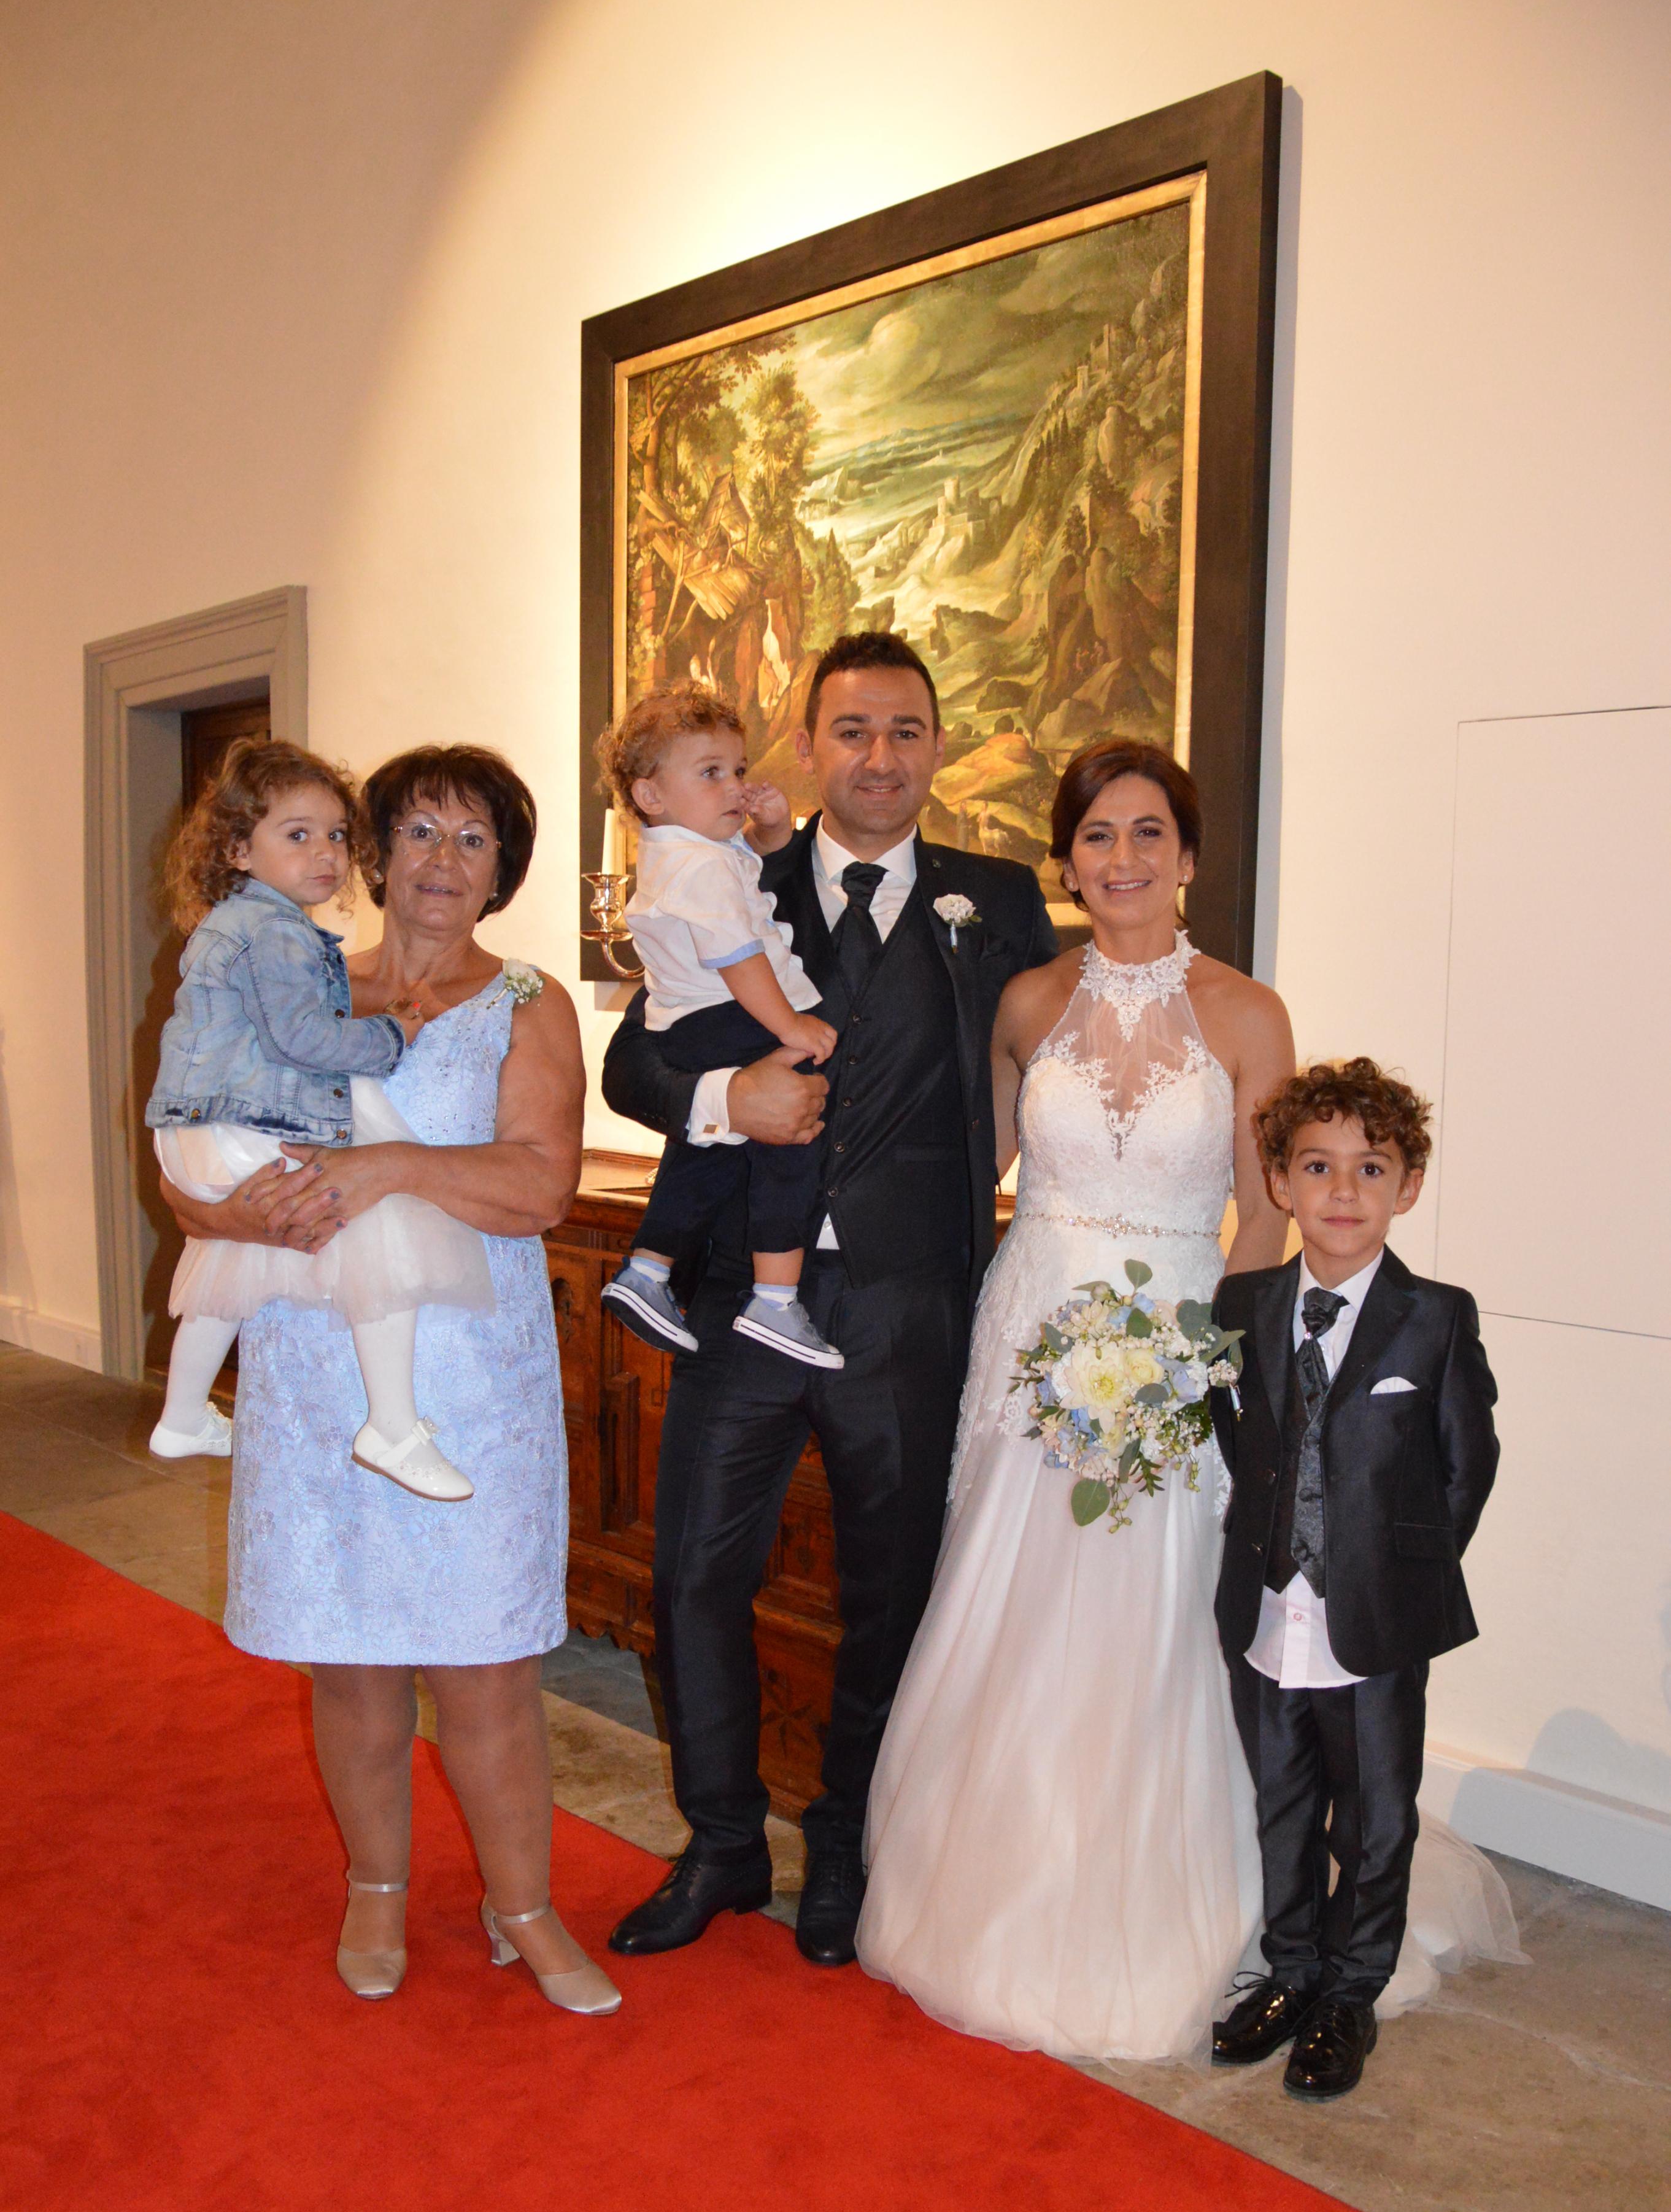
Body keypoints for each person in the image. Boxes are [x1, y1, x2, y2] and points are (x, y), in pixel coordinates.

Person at [601, 631, 1057, 1966]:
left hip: (910, 1308)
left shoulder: (994, 899)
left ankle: (848, 1839)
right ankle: (722, 1841)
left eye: (905, 730)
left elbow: (1055, 1061)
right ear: (806, 746)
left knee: (888, 1589)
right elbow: (633, 1065)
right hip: (743, 1298)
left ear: (936, 746)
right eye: (851, 730)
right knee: (693, 1572)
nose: (878, 756)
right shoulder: (723, 864)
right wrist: (721, 1098)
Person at [158, 744, 619, 2017]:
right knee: (349, 1655)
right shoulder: (295, 972)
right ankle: (375, 1883)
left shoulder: (524, 1000)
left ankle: (521, 1906)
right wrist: (237, 1211)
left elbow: (539, 1185)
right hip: (314, 1363)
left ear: (502, 870)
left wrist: (389, 1167)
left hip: (468, 1376)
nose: (441, 862)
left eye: (473, 840)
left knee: (486, 1663)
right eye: (418, 832)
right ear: (374, 851)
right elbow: (189, 1157)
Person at [857, 738, 1292, 2059]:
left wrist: (1193, 1362)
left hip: (1174, 1339)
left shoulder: (1244, 1012)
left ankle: (1150, 1905)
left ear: (1188, 855)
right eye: (1097, 835)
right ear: (1063, 860)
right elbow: (973, 1166)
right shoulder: (1025, 1001)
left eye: (1147, 832)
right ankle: (986, 1889)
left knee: (1149, 1612)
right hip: (1029, 1331)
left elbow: (1262, 1212)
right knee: (1012, 1604)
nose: (1122, 858)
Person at [1210, 1061, 1503, 2100]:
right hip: (1264, 1608)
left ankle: (1349, 1991)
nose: (1341, 1191)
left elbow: (1466, 1465)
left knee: (1374, 1818)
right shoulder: (1242, 1303)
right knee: (1282, 1804)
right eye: (1316, 1167)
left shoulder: (1433, 1317)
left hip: (1374, 1617)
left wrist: (1396, 1572)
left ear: (1406, 1187)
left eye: (1369, 1169)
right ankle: (1290, 1970)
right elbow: (1239, 1437)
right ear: (1278, 1183)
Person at [145, 737, 488, 1500]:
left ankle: (181, 1413)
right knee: (383, 1221)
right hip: (235, 1122)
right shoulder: (273, 931)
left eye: (336, 834)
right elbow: (302, 1037)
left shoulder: (235, 922)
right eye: (297, 835)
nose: (326, 853)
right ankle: (391, 1425)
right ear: (238, 849)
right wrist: (394, 1032)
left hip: (197, 1131)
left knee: (227, 1261)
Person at [595, 685, 843, 1371]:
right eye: (711, 772)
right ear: (650, 794)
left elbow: (747, 879)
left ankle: (648, 1269)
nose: (734, 786)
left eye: (738, 769)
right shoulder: (700, 863)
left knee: (710, 1148)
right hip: (727, 1014)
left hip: (692, 1024)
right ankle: (774, 1296)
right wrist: (791, 1026)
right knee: (791, 1137)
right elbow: (739, 957)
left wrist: (769, 833)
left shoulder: (687, 850)